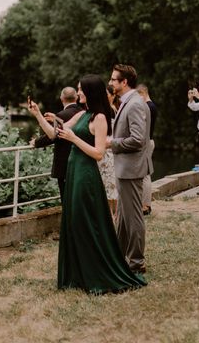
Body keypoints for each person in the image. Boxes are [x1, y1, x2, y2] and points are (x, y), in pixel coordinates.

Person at [28, 75, 146, 293]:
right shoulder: (83, 114)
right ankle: (77, 274)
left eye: (81, 90)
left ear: (90, 92)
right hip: (73, 172)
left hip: (85, 174)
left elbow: (99, 153)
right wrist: (37, 114)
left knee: (85, 222)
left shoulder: (100, 118)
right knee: (73, 222)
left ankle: (96, 272)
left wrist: (74, 139)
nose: (78, 92)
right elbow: (54, 134)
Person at [108, 64, 153, 274]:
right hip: (125, 168)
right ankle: (119, 256)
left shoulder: (134, 104)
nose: (110, 83)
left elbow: (137, 140)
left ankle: (136, 263)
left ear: (124, 82)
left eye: (113, 80)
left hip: (131, 168)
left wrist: (112, 143)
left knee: (133, 217)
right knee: (123, 217)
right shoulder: (129, 102)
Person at [31, 87, 82, 200]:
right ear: (76, 97)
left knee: (66, 199)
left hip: (64, 163)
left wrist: (36, 142)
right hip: (80, 162)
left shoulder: (61, 115)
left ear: (61, 98)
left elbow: (52, 136)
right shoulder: (82, 112)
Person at [136, 84, 157, 215]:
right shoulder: (152, 106)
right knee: (145, 173)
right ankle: (144, 204)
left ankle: (145, 205)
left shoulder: (148, 107)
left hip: (146, 142)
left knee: (145, 174)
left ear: (143, 93)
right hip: (148, 141)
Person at [98, 85, 119, 217]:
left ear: (112, 95)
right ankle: (113, 215)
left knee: (109, 183)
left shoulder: (110, 110)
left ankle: (112, 215)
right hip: (109, 149)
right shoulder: (113, 109)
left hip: (108, 149)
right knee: (110, 184)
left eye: (106, 94)